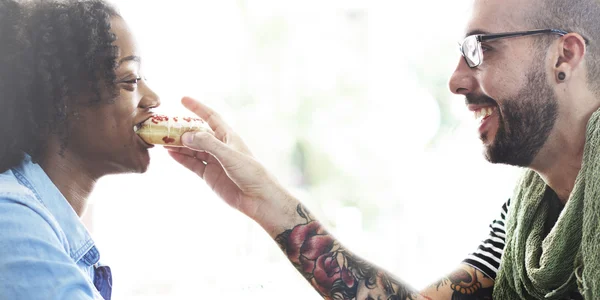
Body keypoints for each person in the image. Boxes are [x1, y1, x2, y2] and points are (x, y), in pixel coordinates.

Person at [166, 0, 600, 299]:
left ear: (564, 56)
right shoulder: (527, 221)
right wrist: (262, 199)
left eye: (481, 49)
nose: (456, 81)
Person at [0, 0, 159, 298]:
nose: (153, 98)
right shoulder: (9, 221)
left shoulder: (48, 229)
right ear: (61, 99)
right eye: (129, 80)